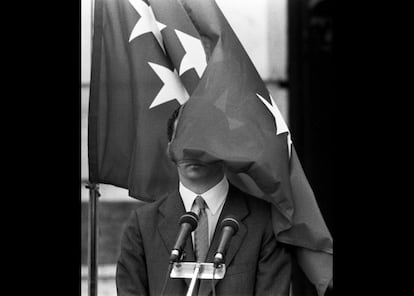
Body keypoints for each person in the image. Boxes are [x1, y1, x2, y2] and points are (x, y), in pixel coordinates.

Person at [116, 106, 292, 296]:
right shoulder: (142, 225)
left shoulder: (264, 222)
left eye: (202, 139)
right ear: (170, 150)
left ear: (225, 147)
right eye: (184, 139)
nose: (192, 150)